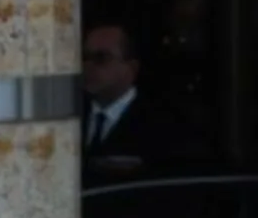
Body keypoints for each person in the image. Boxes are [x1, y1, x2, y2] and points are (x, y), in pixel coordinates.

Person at [80, 23, 200, 180]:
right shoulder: (70, 115)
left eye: (101, 58)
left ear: (131, 68)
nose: (88, 66)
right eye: (84, 58)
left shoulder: (164, 124)